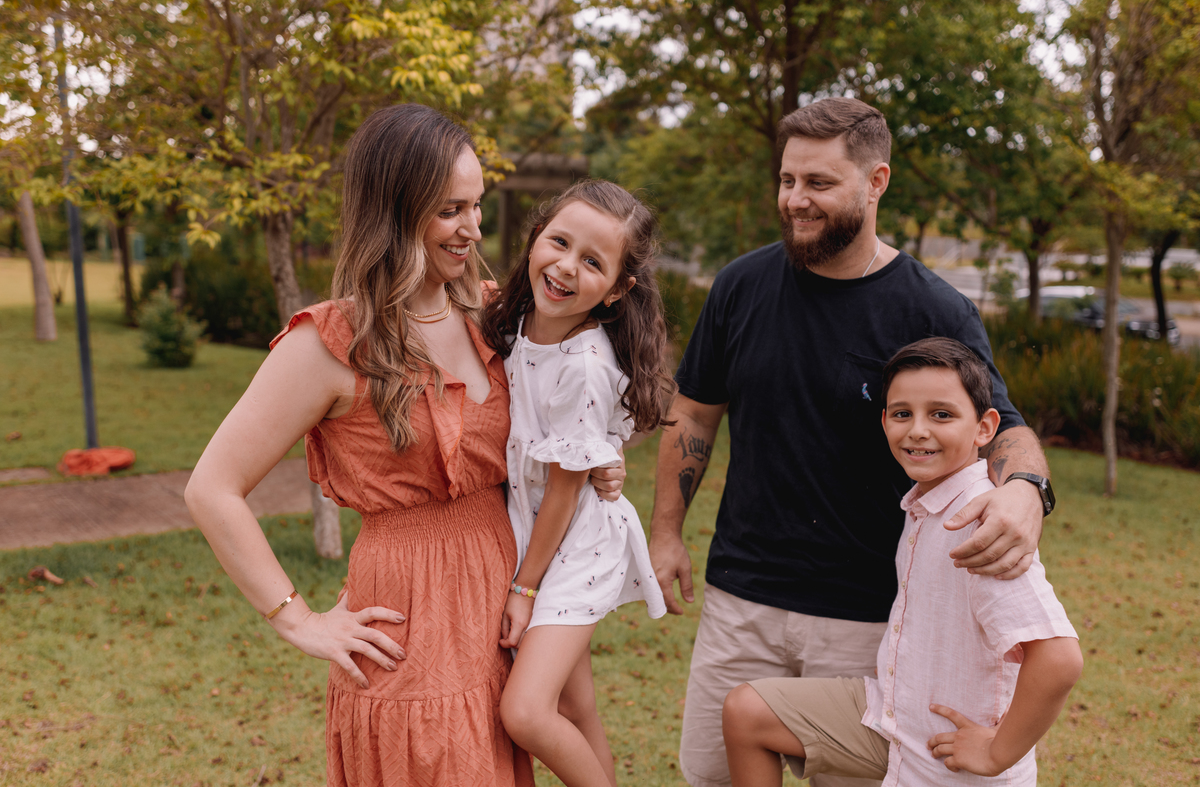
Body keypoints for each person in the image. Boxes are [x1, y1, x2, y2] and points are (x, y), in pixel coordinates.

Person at [184, 104, 624, 787]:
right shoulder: (327, 343)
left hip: (504, 591)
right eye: (452, 209)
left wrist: (601, 457)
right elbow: (211, 488)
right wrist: (296, 619)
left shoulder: (495, 311)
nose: (474, 228)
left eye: (476, 206)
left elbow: (571, 399)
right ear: (395, 209)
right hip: (408, 620)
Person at [650, 97, 1057, 787]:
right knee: (713, 775)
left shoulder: (933, 310)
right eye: (787, 181)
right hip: (741, 599)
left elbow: (1004, 427)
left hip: (869, 617)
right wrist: (664, 531)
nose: (796, 200)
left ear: (876, 182)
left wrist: (1026, 490)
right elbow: (693, 414)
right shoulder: (740, 286)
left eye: (818, 184)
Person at [722, 337, 1081, 786]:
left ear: (985, 428)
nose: (917, 430)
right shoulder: (924, 505)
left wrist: (996, 752)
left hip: (951, 760)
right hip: (896, 720)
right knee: (746, 712)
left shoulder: (979, 520)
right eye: (902, 413)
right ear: (885, 421)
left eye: (942, 414)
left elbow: (1059, 658)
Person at [481, 180, 673, 787]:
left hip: (575, 547)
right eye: (558, 242)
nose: (565, 267)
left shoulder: (583, 365)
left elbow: (565, 490)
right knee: (574, 704)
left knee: (526, 711)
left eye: (592, 262)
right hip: (547, 532)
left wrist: (524, 589)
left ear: (617, 290)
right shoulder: (517, 326)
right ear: (535, 237)